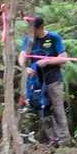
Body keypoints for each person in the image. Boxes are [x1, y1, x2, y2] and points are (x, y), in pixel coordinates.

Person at [21, 14, 69, 144]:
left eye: (34, 29)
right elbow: (22, 55)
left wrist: (47, 61)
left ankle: (64, 139)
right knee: (42, 109)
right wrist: (25, 68)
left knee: (58, 109)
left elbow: (63, 57)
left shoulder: (54, 37)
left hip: (53, 79)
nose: (32, 32)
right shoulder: (29, 40)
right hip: (36, 82)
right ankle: (53, 138)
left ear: (40, 27)